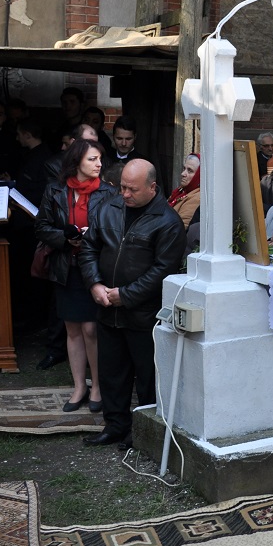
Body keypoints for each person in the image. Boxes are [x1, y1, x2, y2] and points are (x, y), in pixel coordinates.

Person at [79, 160, 186, 447]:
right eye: (122, 186)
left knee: (147, 378)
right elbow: (89, 247)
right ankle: (115, 425)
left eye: (132, 189)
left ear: (152, 187)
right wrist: (94, 283)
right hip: (106, 308)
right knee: (111, 373)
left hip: (143, 316)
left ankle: (142, 432)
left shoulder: (168, 221)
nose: (124, 194)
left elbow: (163, 270)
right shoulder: (109, 208)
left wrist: (125, 295)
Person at [35, 139, 116, 413]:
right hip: (65, 267)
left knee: (91, 329)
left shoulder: (107, 193)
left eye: (99, 159)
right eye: (93, 159)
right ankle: (79, 386)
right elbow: (42, 227)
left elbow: (115, 231)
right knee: (72, 329)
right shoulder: (55, 190)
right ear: (77, 162)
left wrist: (89, 238)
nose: (99, 164)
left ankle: (98, 387)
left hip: (94, 268)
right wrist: (65, 238)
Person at [167, 154, 201, 230]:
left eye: (190, 171)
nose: (183, 174)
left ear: (199, 175)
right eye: (184, 169)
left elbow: (181, 228)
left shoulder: (197, 197)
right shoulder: (181, 191)